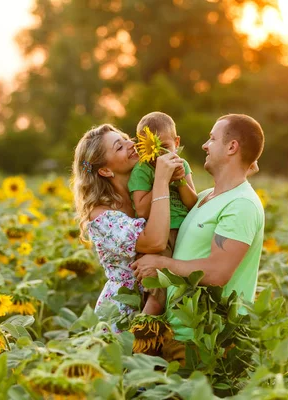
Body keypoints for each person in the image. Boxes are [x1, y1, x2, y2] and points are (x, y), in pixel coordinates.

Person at [131, 114, 265, 357]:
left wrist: (161, 264)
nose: (205, 145)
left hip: (210, 342)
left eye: (212, 139)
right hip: (181, 333)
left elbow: (217, 273)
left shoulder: (242, 204)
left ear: (232, 147)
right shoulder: (204, 197)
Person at [71, 123, 183, 327]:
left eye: (126, 139)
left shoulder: (142, 194)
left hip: (167, 297)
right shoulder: (101, 215)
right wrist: (161, 180)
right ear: (105, 170)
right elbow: (155, 242)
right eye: (119, 147)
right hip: (125, 311)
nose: (131, 144)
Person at [129, 112, 198, 315]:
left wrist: (180, 181)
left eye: (165, 147)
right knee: (158, 293)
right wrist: (162, 180)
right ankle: (143, 333)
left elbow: (192, 203)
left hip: (185, 232)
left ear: (177, 142)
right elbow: (141, 209)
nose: (159, 155)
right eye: (151, 149)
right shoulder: (142, 170)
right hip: (160, 235)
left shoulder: (181, 165)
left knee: (183, 287)